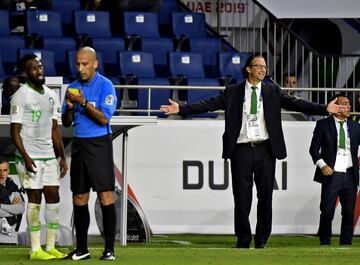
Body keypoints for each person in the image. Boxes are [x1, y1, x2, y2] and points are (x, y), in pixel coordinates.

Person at [160, 54, 348, 249]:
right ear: (248, 69)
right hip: (241, 150)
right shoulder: (233, 91)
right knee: (242, 199)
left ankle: (261, 239)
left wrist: (325, 109)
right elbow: (208, 104)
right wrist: (181, 109)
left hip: (266, 149)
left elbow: (297, 103)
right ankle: (243, 239)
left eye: (265, 67)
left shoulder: (272, 90)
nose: (263, 70)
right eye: (258, 66)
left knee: (265, 197)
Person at [61, 47, 117, 261]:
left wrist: (82, 103)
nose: (80, 68)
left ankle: (109, 250)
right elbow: (66, 123)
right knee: (79, 196)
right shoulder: (72, 87)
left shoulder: (106, 86)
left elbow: (104, 119)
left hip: (100, 144)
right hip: (79, 144)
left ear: (95, 64)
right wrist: (70, 108)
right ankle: (82, 249)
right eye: (77, 63)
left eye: (85, 64)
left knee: (105, 195)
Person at [10, 54, 68, 260]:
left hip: (48, 156)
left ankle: (50, 245)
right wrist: (25, 157)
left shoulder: (52, 94)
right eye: (34, 68)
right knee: (35, 199)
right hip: (30, 156)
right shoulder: (21, 95)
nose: (39, 70)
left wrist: (61, 156)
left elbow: (55, 129)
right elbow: (15, 131)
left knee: (53, 197)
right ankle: (35, 249)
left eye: (40, 66)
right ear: (26, 73)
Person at [309, 94, 359, 245]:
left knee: (349, 213)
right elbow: (313, 149)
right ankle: (325, 241)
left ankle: (346, 242)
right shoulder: (323, 125)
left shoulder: (356, 126)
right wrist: (322, 164)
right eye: (345, 104)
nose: (349, 107)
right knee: (327, 211)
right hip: (331, 175)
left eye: (349, 104)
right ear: (335, 107)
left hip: (350, 175)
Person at [0, 157, 25, 235]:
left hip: (10, 231)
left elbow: (21, 208)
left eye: (5, 170)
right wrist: (13, 211)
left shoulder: (12, 186)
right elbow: (16, 210)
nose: (1, 174)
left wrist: (1, 206)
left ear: (8, 171)